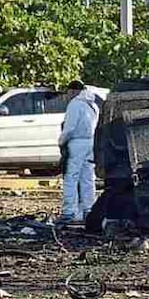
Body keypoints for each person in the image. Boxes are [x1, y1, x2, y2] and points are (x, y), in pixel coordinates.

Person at [58, 80, 100, 225]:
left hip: (76, 143)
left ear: (73, 91)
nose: (68, 95)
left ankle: (70, 211)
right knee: (87, 177)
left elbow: (69, 127)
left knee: (71, 176)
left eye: (68, 92)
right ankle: (88, 210)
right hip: (91, 142)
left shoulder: (75, 104)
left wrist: (61, 141)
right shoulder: (92, 104)